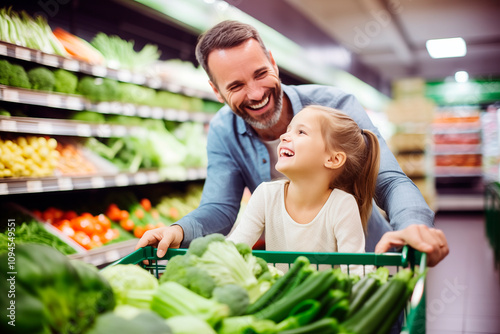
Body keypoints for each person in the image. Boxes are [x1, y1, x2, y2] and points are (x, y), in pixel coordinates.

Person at [136, 20, 449, 266]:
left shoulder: (336, 104)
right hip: (289, 273)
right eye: (236, 85)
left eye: (261, 74)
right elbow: (220, 208)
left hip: (367, 259)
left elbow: (387, 179)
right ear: (217, 91)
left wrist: (412, 223)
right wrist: (178, 230)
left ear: (272, 62)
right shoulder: (223, 129)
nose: (256, 93)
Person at [226, 105, 380, 261]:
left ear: (333, 159)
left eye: (301, 132)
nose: (283, 137)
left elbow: (355, 267)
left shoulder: (342, 206)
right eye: (288, 130)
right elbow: (233, 248)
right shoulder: (266, 195)